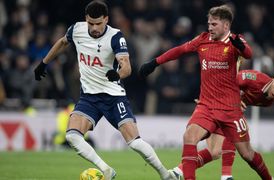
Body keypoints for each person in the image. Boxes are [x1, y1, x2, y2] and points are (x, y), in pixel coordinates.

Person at [33, 1, 176, 180]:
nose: (94, 28)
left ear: (106, 19)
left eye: (98, 23)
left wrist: (117, 74)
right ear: (86, 19)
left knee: (135, 143)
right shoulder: (76, 29)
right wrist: (44, 63)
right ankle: (106, 170)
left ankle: (166, 175)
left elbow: (127, 67)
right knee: (72, 136)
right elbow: (62, 42)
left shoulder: (115, 37)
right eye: (91, 23)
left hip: (113, 97)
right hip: (88, 97)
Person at [139, 5, 274, 180]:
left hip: (230, 109)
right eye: (209, 23)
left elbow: (248, 53)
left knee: (248, 155)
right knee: (189, 136)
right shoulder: (202, 39)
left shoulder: (235, 41)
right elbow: (180, 50)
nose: (210, 27)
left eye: (214, 24)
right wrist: (155, 62)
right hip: (206, 106)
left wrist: (241, 47)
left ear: (226, 26)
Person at [171, 70, 274, 180]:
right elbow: (227, 81)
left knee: (215, 151)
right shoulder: (255, 78)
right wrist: (229, 99)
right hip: (214, 104)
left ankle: (178, 171)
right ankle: (226, 175)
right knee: (241, 140)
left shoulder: (268, 101)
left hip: (225, 111)